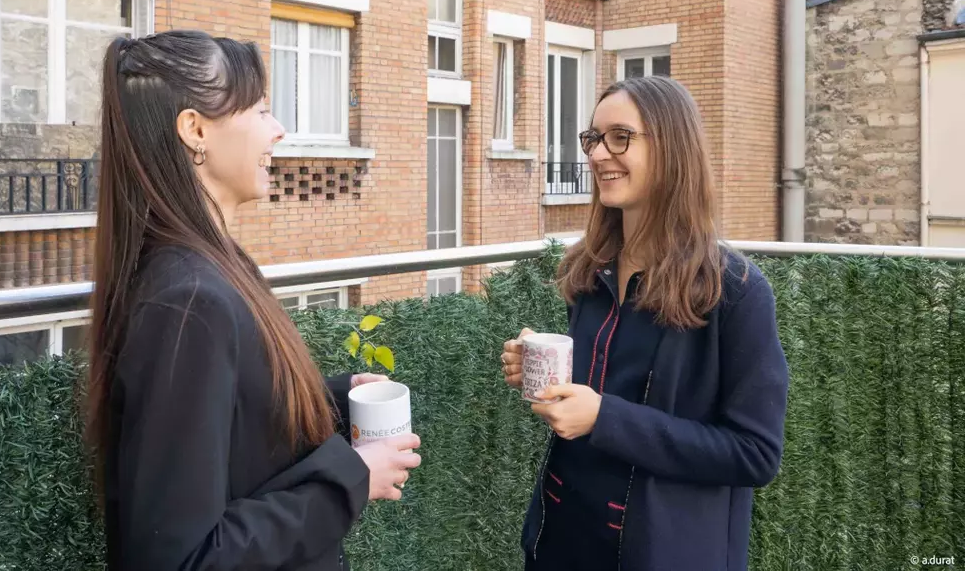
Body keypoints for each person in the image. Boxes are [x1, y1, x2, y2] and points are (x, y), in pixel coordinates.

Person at [87, 30, 421, 571]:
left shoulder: (210, 266)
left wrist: (329, 399)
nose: (279, 130)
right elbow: (181, 558)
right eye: (261, 110)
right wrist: (351, 480)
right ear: (195, 130)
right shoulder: (189, 301)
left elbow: (229, 424)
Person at [500, 76, 789, 571]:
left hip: (660, 552)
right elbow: (599, 394)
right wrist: (544, 377)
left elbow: (754, 453)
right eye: (593, 138)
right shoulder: (589, 269)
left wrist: (603, 417)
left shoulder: (735, 290)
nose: (596, 155)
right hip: (560, 541)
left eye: (620, 137)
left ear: (672, 147)